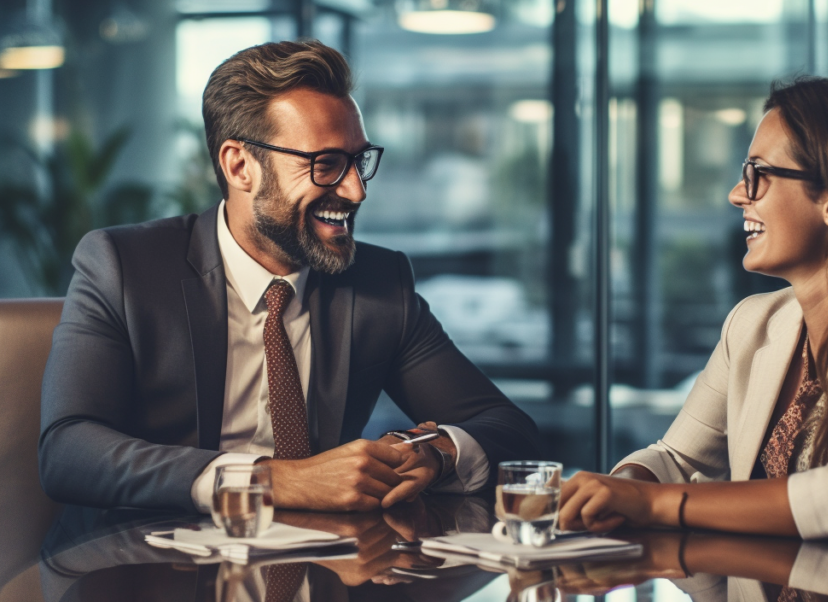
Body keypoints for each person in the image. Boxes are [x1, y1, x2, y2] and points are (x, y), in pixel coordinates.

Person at [38, 40, 541, 515]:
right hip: (151, 568)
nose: (355, 191)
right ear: (240, 166)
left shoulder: (380, 282)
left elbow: (507, 428)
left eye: (358, 161)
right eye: (325, 164)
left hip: (327, 567)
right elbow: (68, 451)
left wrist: (434, 451)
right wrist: (276, 480)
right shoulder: (124, 267)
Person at [558, 77, 828, 600]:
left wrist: (652, 504)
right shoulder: (753, 322)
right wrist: (623, 486)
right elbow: (678, 461)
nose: (736, 194)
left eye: (758, 174)